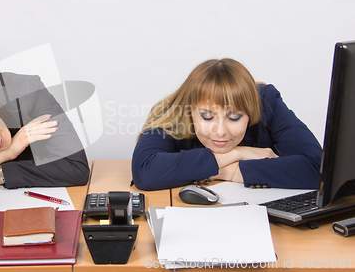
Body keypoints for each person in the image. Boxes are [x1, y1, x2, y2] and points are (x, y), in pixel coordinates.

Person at [132, 58, 322, 191]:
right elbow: (145, 171)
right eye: (207, 117)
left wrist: (229, 172)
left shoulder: (266, 102)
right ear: (189, 111)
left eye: (234, 117)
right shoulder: (173, 112)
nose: (221, 131)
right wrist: (238, 153)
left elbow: (319, 169)